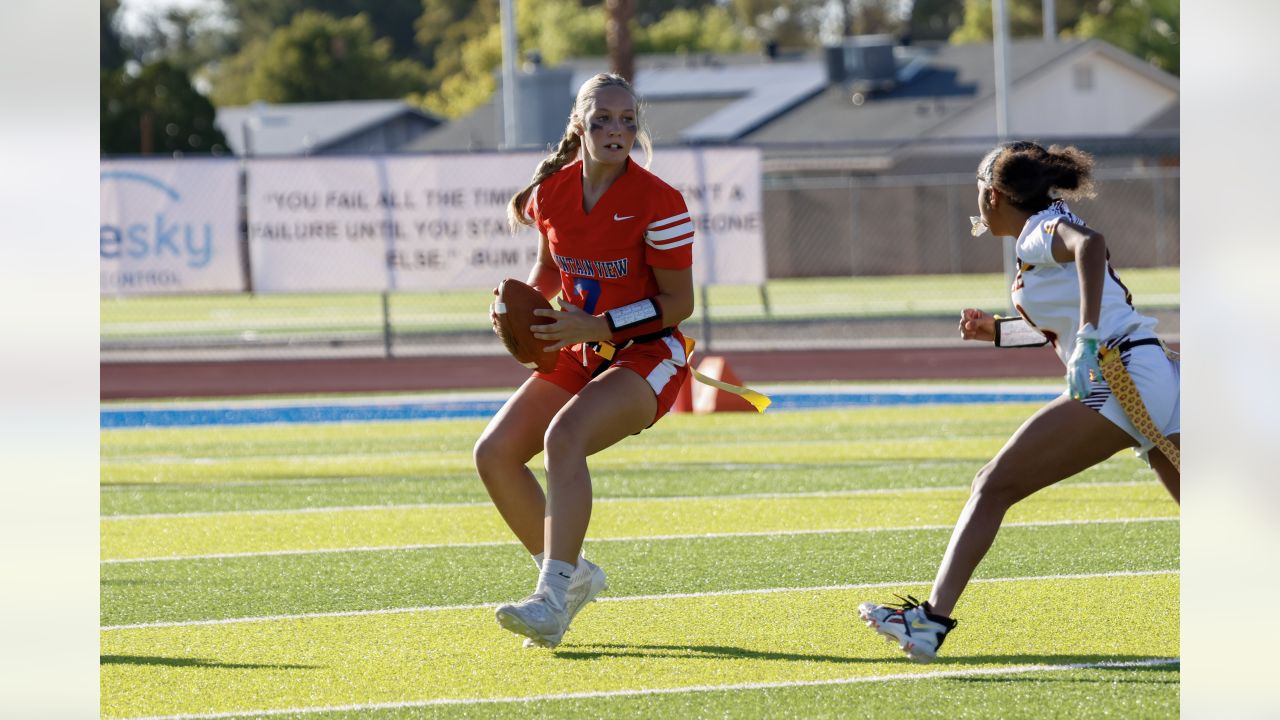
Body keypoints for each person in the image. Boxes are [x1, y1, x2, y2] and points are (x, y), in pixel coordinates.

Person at [857, 141, 1181, 663]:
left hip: (1122, 373)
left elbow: (1091, 245)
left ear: (993, 196)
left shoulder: (1037, 232)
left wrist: (1091, 335)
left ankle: (930, 623)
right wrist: (999, 333)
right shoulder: (1044, 226)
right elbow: (1065, 319)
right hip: (1150, 371)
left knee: (992, 484)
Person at [474, 73, 697, 649]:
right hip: (580, 343)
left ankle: (551, 596)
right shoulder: (550, 193)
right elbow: (551, 271)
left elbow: (679, 302)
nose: (616, 130)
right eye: (602, 118)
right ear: (579, 124)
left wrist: (595, 325)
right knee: (495, 454)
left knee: (563, 436)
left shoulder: (660, 201)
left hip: (648, 351)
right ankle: (572, 577)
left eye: (627, 120)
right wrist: (520, 308)